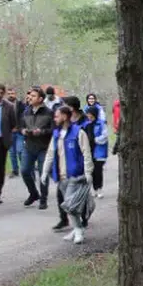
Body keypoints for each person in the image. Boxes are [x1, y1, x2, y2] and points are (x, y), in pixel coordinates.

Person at [41, 105, 95, 244]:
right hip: (61, 176)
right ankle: (78, 228)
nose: (55, 118)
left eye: (57, 116)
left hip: (75, 176)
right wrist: (45, 171)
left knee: (70, 206)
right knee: (71, 205)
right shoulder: (56, 134)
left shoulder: (78, 132)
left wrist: (88, 172)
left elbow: (86, 153)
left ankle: (78, 230)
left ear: (65, 116)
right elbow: (50, 153)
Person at [19, 87, 53, 208]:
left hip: (44, 147)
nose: (30, 98)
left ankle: (43, 199)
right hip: (28, 146)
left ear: (40, 99)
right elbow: (20, 126)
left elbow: (53, 130)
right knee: (24, 171)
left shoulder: (49, 112)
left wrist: (41, 132)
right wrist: (23, 131)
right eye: (30, 96)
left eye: (33, 96)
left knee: (43, 173)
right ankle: (33, 193)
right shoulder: (26, 111)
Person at [85, 102, 109, 196]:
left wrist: (95, 140)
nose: (89, 117)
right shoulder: (87, 125)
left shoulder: (101, 123)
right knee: (90, 171)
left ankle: (99, 188)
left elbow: (105, 136)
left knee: (98, 171)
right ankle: (94, 189)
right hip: (89, 150)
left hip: (99, 151)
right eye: (88, 115)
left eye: (90, 115)